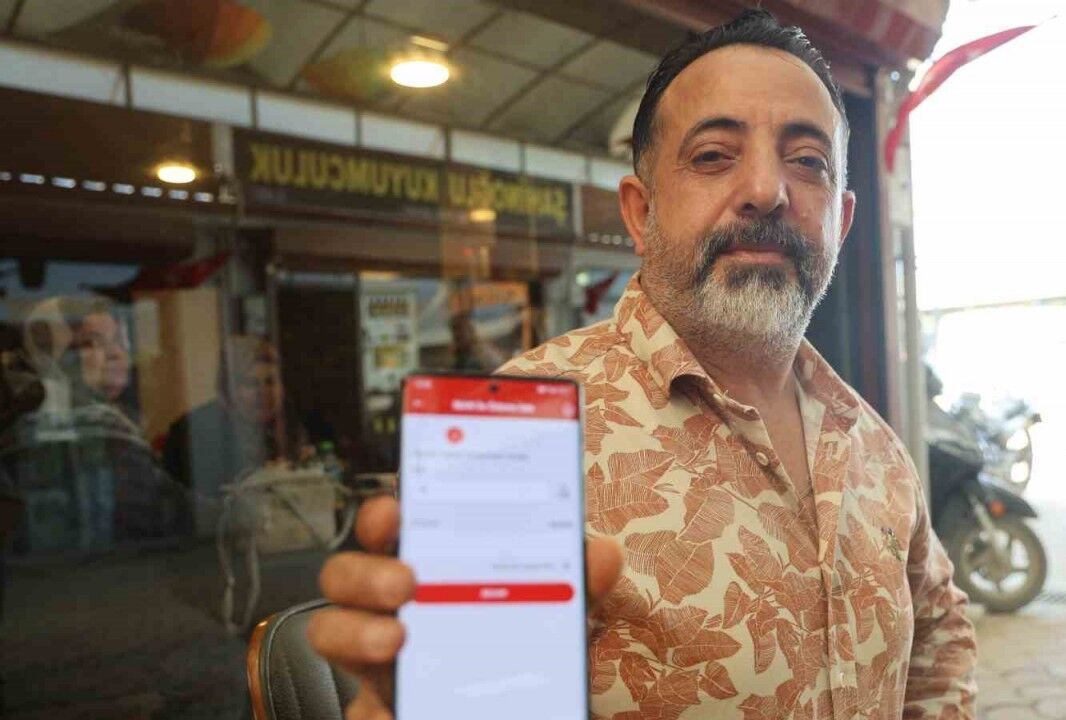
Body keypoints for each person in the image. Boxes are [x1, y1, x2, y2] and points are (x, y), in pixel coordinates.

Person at [310, 10, 977, 719]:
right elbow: (469, 694)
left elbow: (939, 639)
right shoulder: (518, 434)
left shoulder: (869, 440)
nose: (765, 188)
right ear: (639, 212)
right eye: (713, 155)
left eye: (807, 161)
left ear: (840, 221)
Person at [163, 335, 312, 535]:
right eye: (250, 384)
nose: (263, 392)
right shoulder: (195, 432)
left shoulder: (290, 425)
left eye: (271, 382)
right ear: (227, 389)